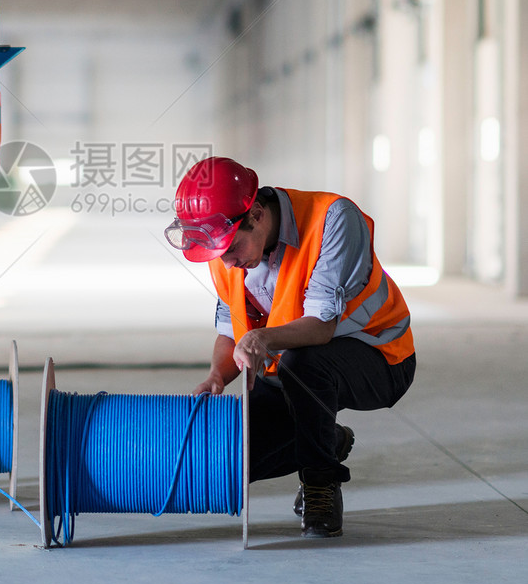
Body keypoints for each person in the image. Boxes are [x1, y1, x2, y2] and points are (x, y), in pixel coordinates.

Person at [164, 157, 416, 538]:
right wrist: (217, 375)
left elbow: (320, 327)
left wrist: (262, 338)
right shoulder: (226, 256)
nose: (228, 263)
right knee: (233, 458)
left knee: (303, 362)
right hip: (289, 367)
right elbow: (232, 331)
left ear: (258, 214)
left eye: (231, 249)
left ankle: (320, 484)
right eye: (219, 255)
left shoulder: (332, 220)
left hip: (380, 356)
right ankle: (328, 438)